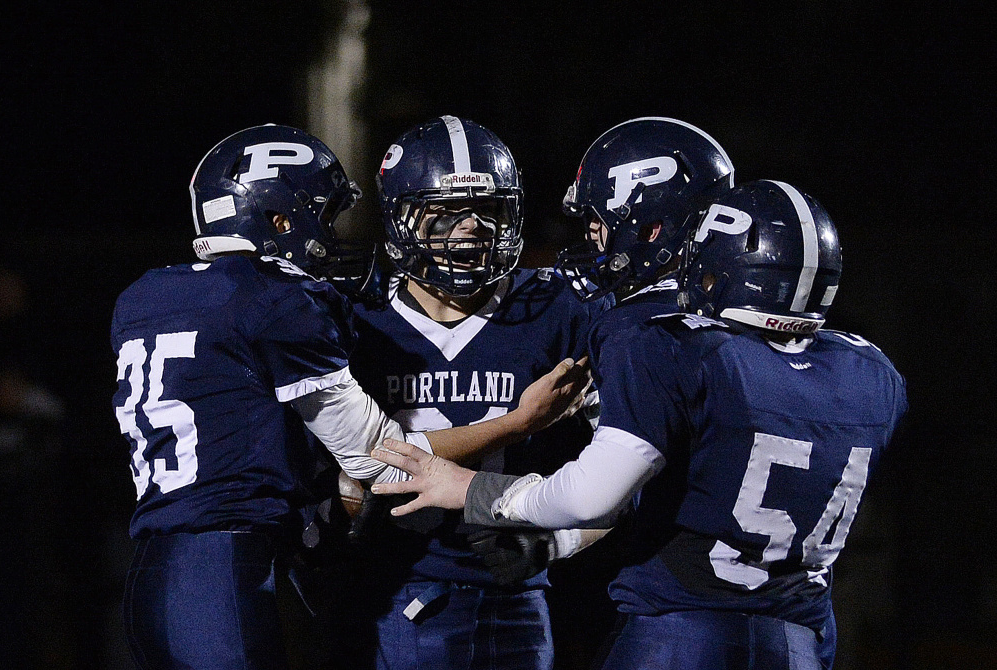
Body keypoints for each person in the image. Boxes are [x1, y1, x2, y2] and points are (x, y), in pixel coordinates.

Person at [370, 178, 908, 670]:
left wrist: (471, 488)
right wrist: (556, 546)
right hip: (801, 635)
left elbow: (595, 492)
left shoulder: (675, 346)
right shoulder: (869, 372)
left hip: (682, 632)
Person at [109, 123, 588, 670]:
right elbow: (376, 461)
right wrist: (520, 421)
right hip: (237, 570)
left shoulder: (147, 296)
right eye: (321, 215)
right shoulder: (288, 304)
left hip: (158, 559)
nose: (329, 235)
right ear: (279, 219)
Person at [308, 114, 615, 670]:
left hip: (523, 589)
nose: (471, 229)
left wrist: (556, 543)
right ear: (402, 219)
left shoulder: (558, 311)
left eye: (488, 211)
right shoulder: (358, 320)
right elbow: (348, 472)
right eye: (447, 213)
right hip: (396, 589)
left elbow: (629, 468)